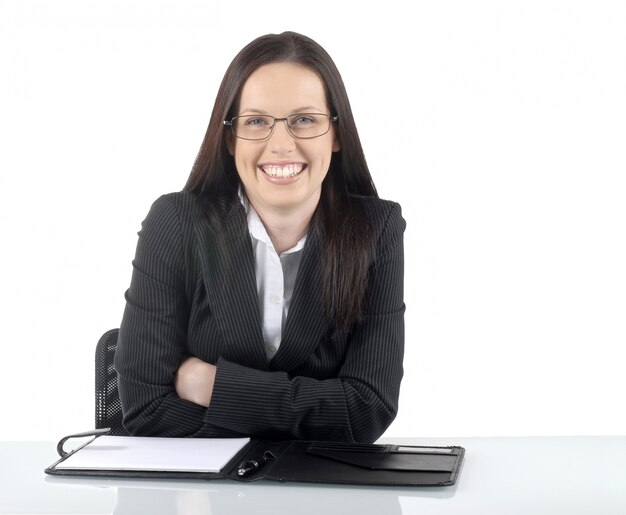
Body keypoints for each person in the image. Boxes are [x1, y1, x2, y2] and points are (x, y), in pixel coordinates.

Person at [114, 31, 405, 443]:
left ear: (336, 134)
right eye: (256, 121)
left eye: (305, 119)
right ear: (230, 139)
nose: (281, 144)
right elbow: (146, 410)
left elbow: (367, 412)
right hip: (197, 499)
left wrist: (213, 386)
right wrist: (312, 415)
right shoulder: (176, 223)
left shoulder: (377, 229)